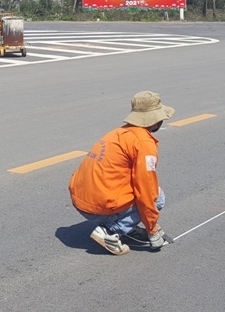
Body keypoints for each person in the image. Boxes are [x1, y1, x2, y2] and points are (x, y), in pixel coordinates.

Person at [69, 91, 174, 255]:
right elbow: (146, 190)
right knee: (158, 197)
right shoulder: (144, 143)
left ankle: (123, 226)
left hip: (81, 199)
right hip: (98, 206)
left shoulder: (119, 133)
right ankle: (110, 231)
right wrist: (152, 229)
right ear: (154, 120)